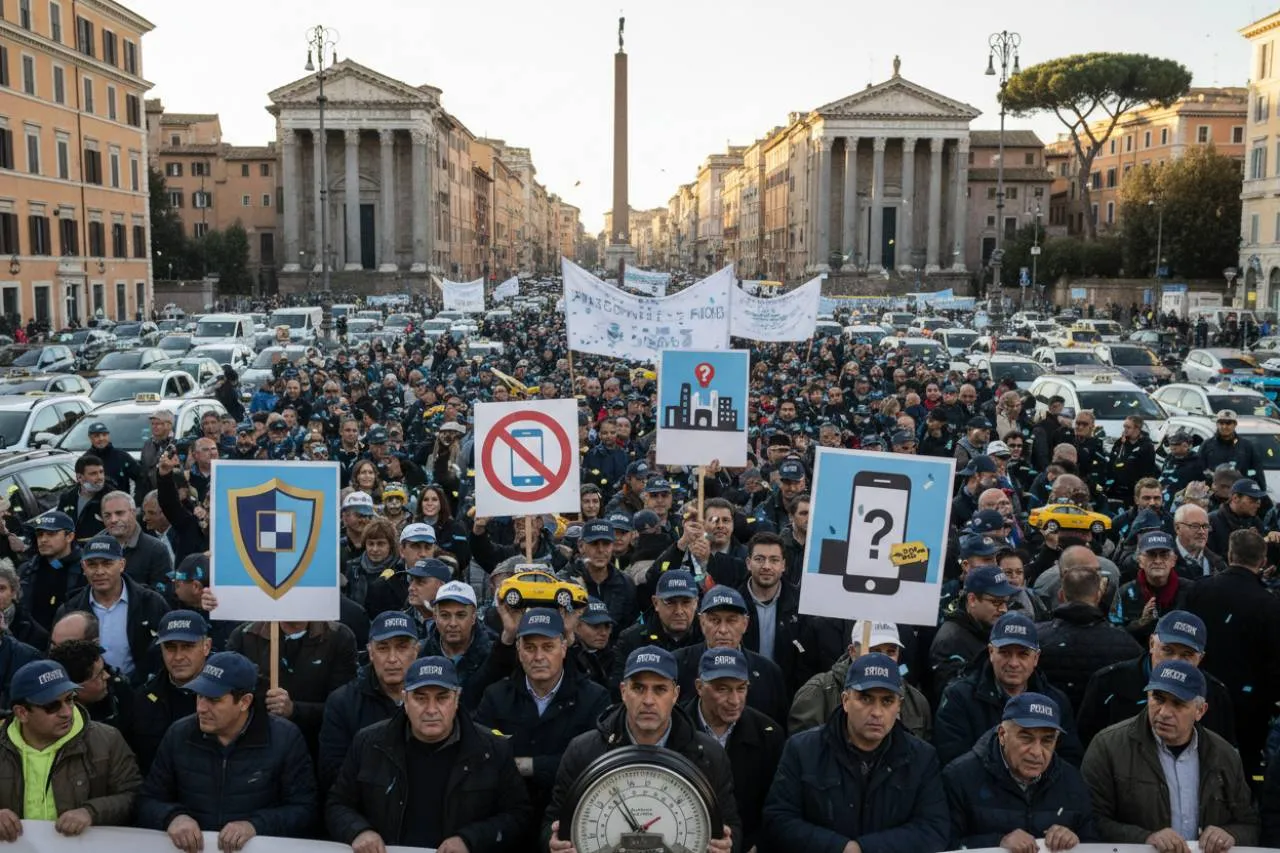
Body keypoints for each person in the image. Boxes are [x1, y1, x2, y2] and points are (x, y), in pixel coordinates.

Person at [326, 655, 532, 853]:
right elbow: (337, 804)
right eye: (420, 698)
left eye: (442, 698)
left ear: (457, 699)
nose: (431, 709)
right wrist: (359, 831)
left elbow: (518, 815)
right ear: (405, 700)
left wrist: (471, 840)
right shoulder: (369, 744)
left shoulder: (492, 749)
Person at [543, 646, 739, 853]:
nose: (648, 701)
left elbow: (731, 825)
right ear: (623, 691)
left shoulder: (709, 755)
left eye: (660, 689)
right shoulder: (582, 751)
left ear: (675, 694)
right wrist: (553, 843)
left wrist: (727, 845)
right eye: (638, 688)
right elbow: (551, 822)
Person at [761, 653, 950, 853]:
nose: (877, 712)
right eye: (866, 699)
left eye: (887, 701)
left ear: (899, 706)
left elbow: (933, 828)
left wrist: (864, 849)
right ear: (845, 700)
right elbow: (779, 820)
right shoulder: (802, 750)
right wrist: (839, 848)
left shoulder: (922, 757)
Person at [137, 652, 317, 851]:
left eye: (213, 700)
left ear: (244, 702)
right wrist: (173, 817)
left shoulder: (284, 738)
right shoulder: (178, 734)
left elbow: (305, 809)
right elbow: (147, 800)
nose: (201, 708)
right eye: (199, 695)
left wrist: (255, 825)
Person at [1081, 659, 1259, 851]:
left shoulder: (1225, 755)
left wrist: (1230, 835)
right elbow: (1089, 821)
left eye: (1178, 703)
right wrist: (1145, 839)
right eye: (1158, 699)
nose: (1164, 712)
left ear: (1200, 710)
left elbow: (1250, 824)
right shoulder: (1107, 746)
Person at [476, 608, 609, 828]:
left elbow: (590, 764)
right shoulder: (496, 696)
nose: (538, 657)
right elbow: (481, 758)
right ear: (518, 650)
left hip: (569, 816)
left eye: (548, 647)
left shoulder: (594, 698)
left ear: (563, 648)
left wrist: (528, 765)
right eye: (530, 648)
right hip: (506, 817)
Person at [0, 660, 140, 838]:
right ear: (22, 713)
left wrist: (91, 812)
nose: (66, 712)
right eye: (52, 706)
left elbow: (134, 795)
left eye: (69, 699)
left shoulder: (107, 740)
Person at [943, 693, 1099, 851]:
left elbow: (1094, 843)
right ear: (1002, 735)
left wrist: (1075, 841)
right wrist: (998, 843)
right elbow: (944, 844)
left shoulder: (1072, 780)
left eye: (1047, 740)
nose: (1036, 752)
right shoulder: (960, 777)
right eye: (1026, 738)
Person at [1186, 527, 1280, 782]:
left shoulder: (1199, 590)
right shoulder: (1269, 604)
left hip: (1200, 694)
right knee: (1244, 770)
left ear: (1229, 555)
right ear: (1262, 561)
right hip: (1250, 706)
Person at [933, 612, 1083, 767]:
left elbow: (1070, 761)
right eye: (1005, 653)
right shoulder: (959, 697)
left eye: (1023, 654)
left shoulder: (1056, 701)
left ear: (1036, 658)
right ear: (991, 652)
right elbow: (953, 763)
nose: (1013, 663)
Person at [1077, 610, 1236, 747]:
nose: (1174, 661)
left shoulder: (1215, 695)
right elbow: (1086, 747)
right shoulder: (1108, 683)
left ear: (1200, 658)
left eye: (1186, 655)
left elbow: (1222, 755)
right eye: (1168, 650)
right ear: (1152, 644)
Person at [685, 647, 785, 853]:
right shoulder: (676, 729)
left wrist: (757, 844)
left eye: (741, 688)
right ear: (699, 687)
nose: (734, 700)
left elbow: (778, 805)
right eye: (722, 689)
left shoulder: (769, 735)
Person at [318, 611, 420, 792]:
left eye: (402, 647)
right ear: (371, 653)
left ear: (416, 651)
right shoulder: (343, 703)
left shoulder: (436, 698)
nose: (392, 659)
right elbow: (335, 775)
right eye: (383, 648)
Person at [54, 534, 170, 687]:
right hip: (89, 693)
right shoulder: (70, 610)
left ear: (122, 564)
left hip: (143, 691)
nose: (99, 571)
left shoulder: (151, 603)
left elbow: (166, 649)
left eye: (107, 563)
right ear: (83, 567)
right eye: (92, 565)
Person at [789, 620, 932, 740]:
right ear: (852, 651)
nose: (882, 659)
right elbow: (803, 752)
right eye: (874, 651)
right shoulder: (818, 692)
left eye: (891, 652)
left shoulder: (915, 701)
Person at [1034, 558, 1143, 713]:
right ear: (1098, 595)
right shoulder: (1125, 643)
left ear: (1061, 595)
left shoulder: (1036, 639)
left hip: (1046, 719)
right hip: (1103, 724)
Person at [673, 585, 788, 726]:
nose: (723, 630)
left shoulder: (769, 672)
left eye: (731, 620)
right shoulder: (677, 664)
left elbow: (778, 726)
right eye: (715, 620)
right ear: (702, 622)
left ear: (745, 624)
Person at [131, 610, 212, 774]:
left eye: (187, 646)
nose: (178, 656)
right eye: (170, 647)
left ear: (206, 646)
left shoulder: (228, 694)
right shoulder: (143, 699)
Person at [929, 563, 1015, 702]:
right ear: (972, 600)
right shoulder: (950, 641)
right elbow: (953, 698)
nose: (1004, 609)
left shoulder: (993, 627)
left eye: (1006, 602)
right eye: (996, 602)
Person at [609, 569, 702, 694]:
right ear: (656, 603)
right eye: (670, 602)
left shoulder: (708, 639)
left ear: (696, 603)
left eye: (686, 602)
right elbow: (618, 691)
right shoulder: (631, 640)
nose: (679, 611)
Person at [421, 580, 497, 710]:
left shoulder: (494, 656)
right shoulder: (420, 654)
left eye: (460, 615)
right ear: (435, 617)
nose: (453, 623)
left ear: (473, 617)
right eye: (445, 615)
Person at [1110, 529, 1194, 645]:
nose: (1158, 561)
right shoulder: (1124, 593)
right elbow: (1112, 634)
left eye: (1164, 555)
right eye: (1151, 555)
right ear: (1140, 561)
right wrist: (1140, 623)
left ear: (1173, 560)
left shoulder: (1191, 590)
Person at [20, 510, 85, 630]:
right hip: (30, 638)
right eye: (40, 534)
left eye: (51, 534)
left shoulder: (86, 569)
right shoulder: (27, 570)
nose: (43, 539)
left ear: (69, 537)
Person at [99, 490, 173, 593]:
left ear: (133, 513)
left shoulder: (156, 549)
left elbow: (162, 594)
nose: (113, 520)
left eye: (119, 513)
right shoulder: (93, 547)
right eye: (107, 515)